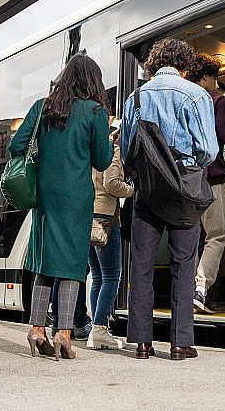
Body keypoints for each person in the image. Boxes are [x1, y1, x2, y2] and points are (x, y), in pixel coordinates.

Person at [9, 54, 114, 360]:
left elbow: (17, 146)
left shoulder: (43, 107)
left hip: (45, 196)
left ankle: (37, 329)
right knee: (71, 264)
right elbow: (102, 160)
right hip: (76, 198)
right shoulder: (95, 111)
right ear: (93, 81)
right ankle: (64, 334)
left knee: (44, 261)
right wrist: (107, 134)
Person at [120, 38, 217, 360]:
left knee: (142, 265)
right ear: (186, 64)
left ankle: (142, 342)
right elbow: (208, 149)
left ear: (153, 64)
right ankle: (179, 343)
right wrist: (187, 168)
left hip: (147, 190)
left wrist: (141, 178)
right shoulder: (197, 94)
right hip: (183, 190)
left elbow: (126, 146)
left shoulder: (135, 97)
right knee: (183, 263)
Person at [186, 54, 225, 314]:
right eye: (214, 77)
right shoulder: (217, 101)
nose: (216, 82)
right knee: (217, 236)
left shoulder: (184, 102)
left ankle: (186, 289)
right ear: (207, 77)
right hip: (211, 178)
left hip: (186, 178)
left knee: (191, 238)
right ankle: (201, 288)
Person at [87, 134, 134, 350]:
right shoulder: (113, 150)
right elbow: (112, 183)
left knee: (97, 277)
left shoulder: (91, 152)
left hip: (88, 216)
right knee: (112, 277)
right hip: (106, 218)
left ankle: (98, 329)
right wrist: (132, 189)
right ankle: (99, 329)